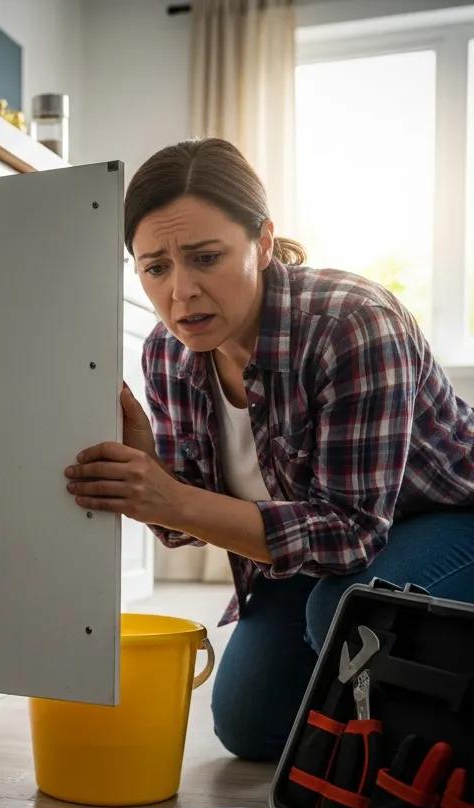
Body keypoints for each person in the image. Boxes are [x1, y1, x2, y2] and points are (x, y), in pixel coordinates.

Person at [64, 137, 474, 761]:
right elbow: (186, 524)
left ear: (261, 239)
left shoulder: (350, 324)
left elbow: (352, 535)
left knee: (342, 614)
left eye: (206, 257)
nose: (182, 292)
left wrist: (172, 500)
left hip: (445, 520)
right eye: (156, 267)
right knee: (249, 726)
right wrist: (150, 478)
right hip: (321, 544)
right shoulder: (168, 353)